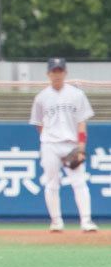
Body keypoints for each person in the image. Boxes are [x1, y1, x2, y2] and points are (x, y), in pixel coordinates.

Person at [29, 57, 97, 232]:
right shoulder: (41, 97)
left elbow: (81, 121)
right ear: (48, 74)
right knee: (51, 183)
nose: (57, 74)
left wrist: (81, 146)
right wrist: (48, 138)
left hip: (71, 144)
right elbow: (39, 123)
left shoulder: (76, 94)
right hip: (50, 144)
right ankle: (56, 221)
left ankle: (86, 221)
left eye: (60, 71)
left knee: (79, 182)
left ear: (65, 73)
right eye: (54, 71)